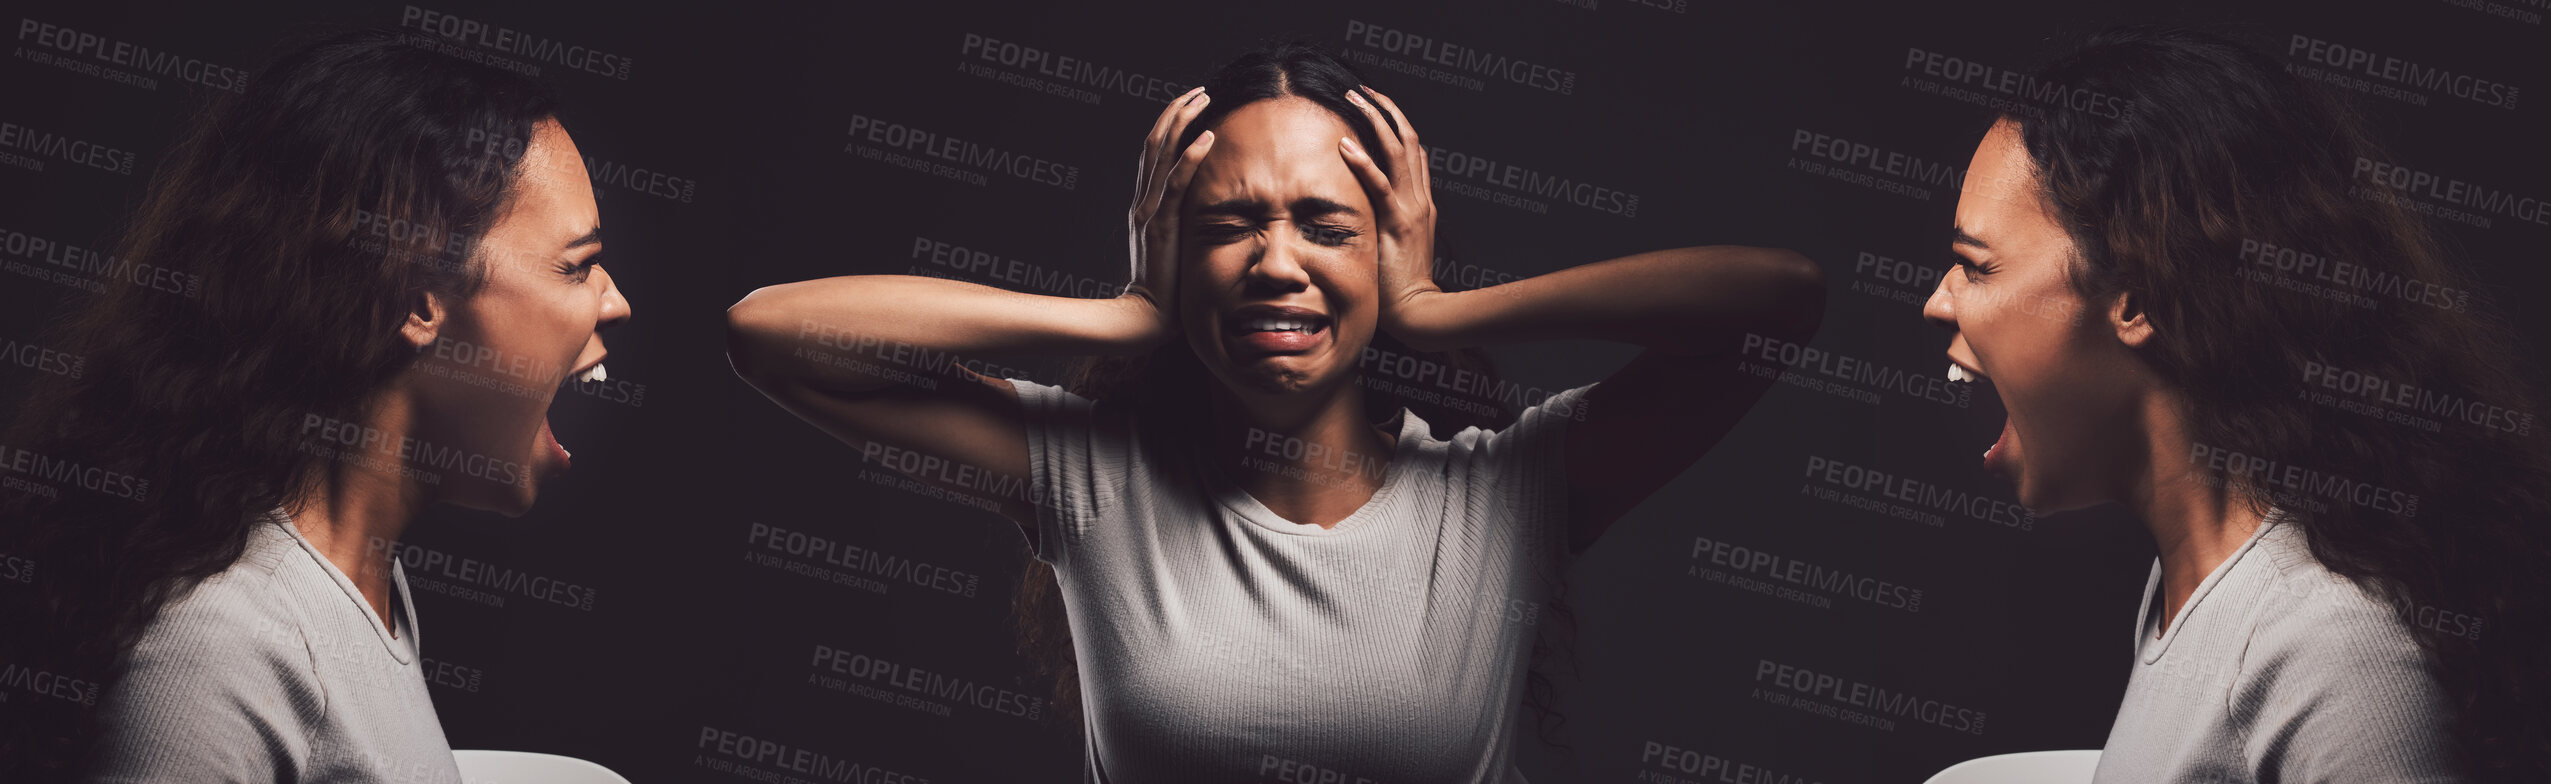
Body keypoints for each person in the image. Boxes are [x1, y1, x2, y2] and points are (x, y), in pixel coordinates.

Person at [727, 42, 1823, 782]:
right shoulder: (1088, 475)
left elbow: (1778, 297)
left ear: (1387, 251)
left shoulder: (1507, 490)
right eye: (1227, 226)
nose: (1275, 265)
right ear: (1171, 250)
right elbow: (773, 333)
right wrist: (1120, 317)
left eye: (1326, 227)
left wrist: (1439, 312)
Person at [0, 28, 632, 783]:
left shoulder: (362, 585)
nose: (615, 302)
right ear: (415, 295)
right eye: (577, 267)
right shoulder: (218, 655)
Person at [1922, 25, 2551, 784]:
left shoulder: (2333, 655)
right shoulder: (2189, 585)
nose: (1936, 302)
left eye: (1975, 267)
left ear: (2137, 298)